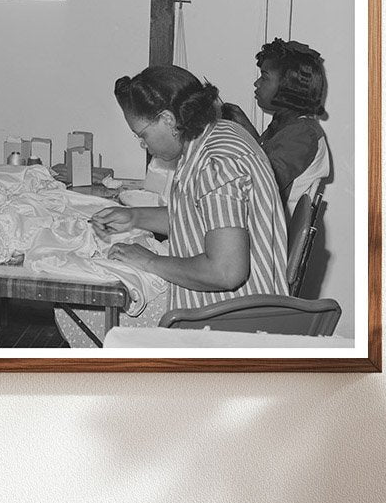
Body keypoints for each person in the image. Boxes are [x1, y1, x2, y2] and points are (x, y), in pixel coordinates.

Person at [56, 66, 288, 345]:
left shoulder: (216, 165)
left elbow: (226, 272)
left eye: (142, 134)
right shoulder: (219, 134)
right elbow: (201, 218)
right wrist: (134, 217)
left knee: (80, 308)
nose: (143, 144)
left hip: (232, 320)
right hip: (239, 305)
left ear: (167, 119)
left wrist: (149, 260)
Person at [221, 38, 330, 213]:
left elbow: (263, 182)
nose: (256, 83)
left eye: (264, 77)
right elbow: (263, 163)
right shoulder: (286, 125)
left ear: (289, 85)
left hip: (272, 232)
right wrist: (244, 127)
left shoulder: (302, 133)